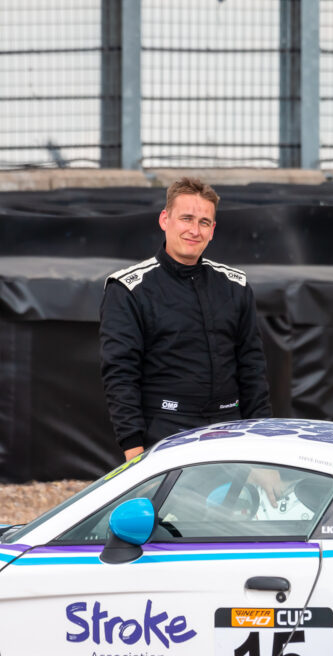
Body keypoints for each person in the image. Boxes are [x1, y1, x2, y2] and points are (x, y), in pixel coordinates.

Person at [98, 176, 271, 462]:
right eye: (186, 218)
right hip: (165, 434)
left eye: (204, 222)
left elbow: (253, 369)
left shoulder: (235, 285)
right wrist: (134, 451)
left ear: (213, 230)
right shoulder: (128, 288)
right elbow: (120, 374)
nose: (194, 230)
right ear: (165, 219)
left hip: (232, 429)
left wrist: (262, 444)